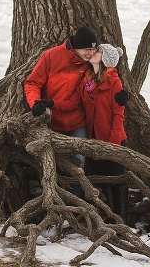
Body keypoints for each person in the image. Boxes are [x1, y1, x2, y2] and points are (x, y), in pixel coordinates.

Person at [23, 26, 99, 179]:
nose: (91, 53)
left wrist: (124, 96)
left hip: (78, 123)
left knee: (79, 165)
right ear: (76, 47)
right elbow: (32, 83)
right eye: (86, 49)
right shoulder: (51, 56)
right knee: (54, 168)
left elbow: (109, 79)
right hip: (53, 123)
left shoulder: (93, 62)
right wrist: (35, 103)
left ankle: (76, 200)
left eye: (93, 49)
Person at [81, 43, 128, 224]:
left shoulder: (114, 81)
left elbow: (119, 114)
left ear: (106, 60)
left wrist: (113, 143)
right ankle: (110, 217)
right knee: (105, 180)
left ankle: (122, 220)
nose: (94, 52)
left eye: (98, 51)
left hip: (113, 139)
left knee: (118, 179)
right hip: (95, 139)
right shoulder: (87, 80)